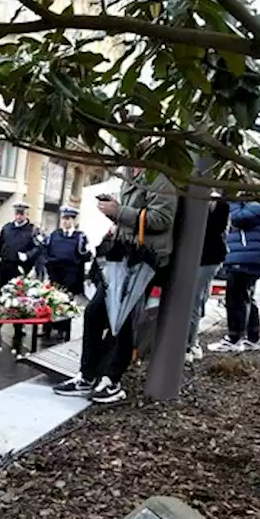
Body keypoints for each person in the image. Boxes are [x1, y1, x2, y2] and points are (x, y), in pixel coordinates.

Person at [54, 168, 178, 404]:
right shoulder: (131, 176)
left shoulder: (158, 176)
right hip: (124, 257)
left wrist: (119, 211)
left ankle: (112, 380)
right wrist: (116, 217)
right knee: (96, 313)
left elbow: (162, 219)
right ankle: (89, 375)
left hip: (143, 260)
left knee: (120, 319)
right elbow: (138, 217)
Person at [207, 200, 260, 354]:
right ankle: (253, 338)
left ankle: (234, 339)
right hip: (249, 256)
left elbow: (237, 218)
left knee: (235, 298)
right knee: (246, 297)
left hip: (246, 257)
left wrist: (231, 201)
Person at [186, 199, 230, 363]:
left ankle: (189, 343)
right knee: (197, 299)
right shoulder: (217, 203)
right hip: (207, 256)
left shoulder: (218, 203)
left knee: (194, 300)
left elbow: (214, 228)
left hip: (207, 257)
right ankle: (191, 341)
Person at [0, 202, 42, 350]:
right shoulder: (7, 227)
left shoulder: (33, 230)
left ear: (26, 214)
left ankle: (18, 327)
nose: (19, 216)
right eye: (17, 213)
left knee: (19, 298)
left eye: (22, 213)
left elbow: (38, 246)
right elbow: (1, 243)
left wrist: (27, 256)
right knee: (1, 295)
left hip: (21, 268)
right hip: (6, 265)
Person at [42, 206, 91, 340]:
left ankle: (63, 330)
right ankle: (47, 328)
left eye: (68, 219)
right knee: (51, 300)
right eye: (64, 218)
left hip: (70, 276)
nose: (65, 221)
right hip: (55, 274)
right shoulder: (55, 235)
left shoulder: (80, 237)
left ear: (74, 220)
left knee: (65, 303)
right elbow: (46, 251)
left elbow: (86, 255)